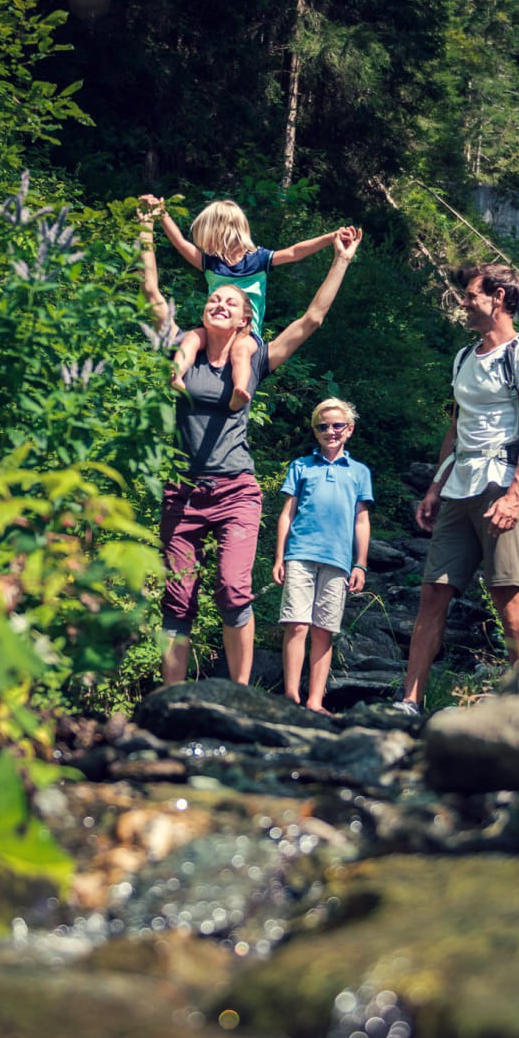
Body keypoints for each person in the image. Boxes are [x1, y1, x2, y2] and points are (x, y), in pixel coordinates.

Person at [137, 200, 362, 687]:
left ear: (245, 319)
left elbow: (311, 320)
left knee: (233, 591)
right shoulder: (183, 345)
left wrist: (339, 258)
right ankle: (172, 701)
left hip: (235, 491)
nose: (220, 303)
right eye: (215, 300)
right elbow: (153, 293)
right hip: (183, 491)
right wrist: (145, 231)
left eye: (232, 304)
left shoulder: (256, 358)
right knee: (177, 599)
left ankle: (241, 697)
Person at [397, 263, 519, 715]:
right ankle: (410, 701)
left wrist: (514, 494)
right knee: (433, 592)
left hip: (503, 484)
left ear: (499, 297)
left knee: (505, 590)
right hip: (459, 487)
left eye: (471, 295)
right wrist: (435, 485)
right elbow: (458, 425)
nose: (463, 303)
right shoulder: (464, 356)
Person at [141, 195, 348, 411]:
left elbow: (295, 252)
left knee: (240, 351)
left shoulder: (258, 259)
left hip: (247, 333)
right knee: (192, 338)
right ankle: (178, 374)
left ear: (220, 231)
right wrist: (161, 215)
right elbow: (181, 244)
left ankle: (239, 390)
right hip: (213, 330)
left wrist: (331, 237)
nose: (204, 244)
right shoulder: (210, 263)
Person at [273, 398, 372, 714]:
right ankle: (291, 695)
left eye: (337, 425)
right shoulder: (301, 466)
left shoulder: (358, 472)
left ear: (349, 429)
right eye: (323, 426)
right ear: (315, 431)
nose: (330, 431)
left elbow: (361, 520)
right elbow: (286, 514)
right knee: (296, 625)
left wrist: (360, 563)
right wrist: (279, 558)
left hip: (338, 560)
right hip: (300, 553)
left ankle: (315, 700)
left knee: (323, 630)